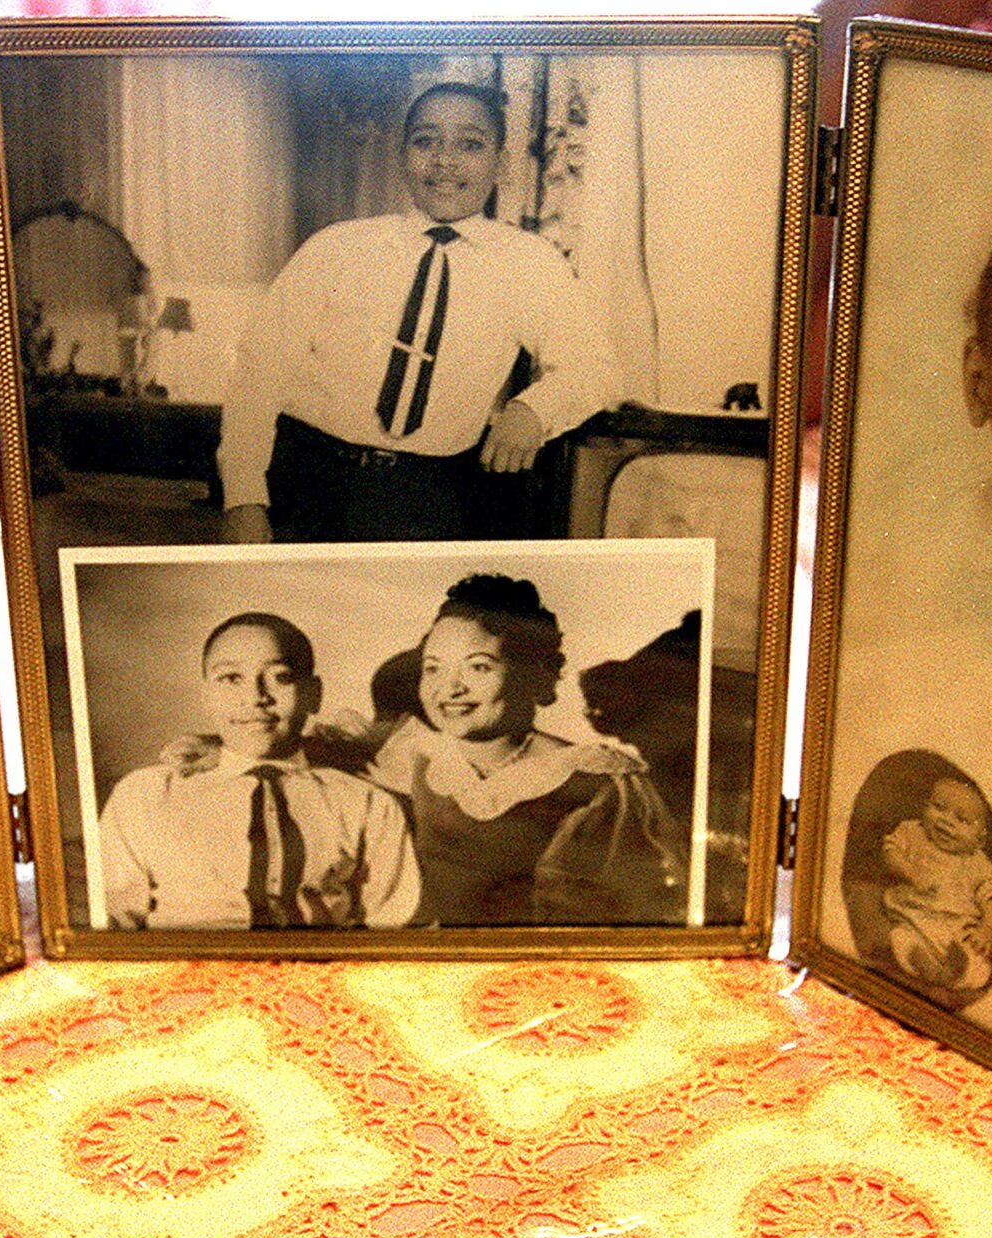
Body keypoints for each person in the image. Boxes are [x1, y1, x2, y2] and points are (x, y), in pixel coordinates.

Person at [215, 81, 621, 543]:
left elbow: (596, 369)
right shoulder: (336, 247)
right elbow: (257, 372)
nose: (445, 161)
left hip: (430, 500)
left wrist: (533, 410)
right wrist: (244, 499)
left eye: (470, 144)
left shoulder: (530, 263)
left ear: (501, 164)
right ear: (403, 155)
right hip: (305, 484)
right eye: (426, 141)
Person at [370, 574, 687, 924]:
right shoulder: (415, 755)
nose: (450, 688)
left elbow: (629, 904)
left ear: (533, 672)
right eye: (433, 668)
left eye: (478, 666)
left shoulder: (591, 780)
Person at [97, 613, 418, 930]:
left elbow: (389, 924)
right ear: (206, 693)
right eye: (231, 679)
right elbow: (114, 917)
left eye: (281, 677)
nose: (255, 697)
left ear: (313, 693)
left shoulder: (368, 804)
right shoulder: (147, 793)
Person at [880, 775, 992, 990]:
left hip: (957, 928)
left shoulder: (977, 862)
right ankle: (923, 964)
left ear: (980, 838)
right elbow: (890, 850)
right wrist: (909, 871)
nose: (946, 820)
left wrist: (987, 928)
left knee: (979, 965)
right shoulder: (913, 832)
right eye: (939, 807)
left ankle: (958, 974)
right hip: (915, 915)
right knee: (900, 937)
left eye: (962, 819)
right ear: (924, 807)